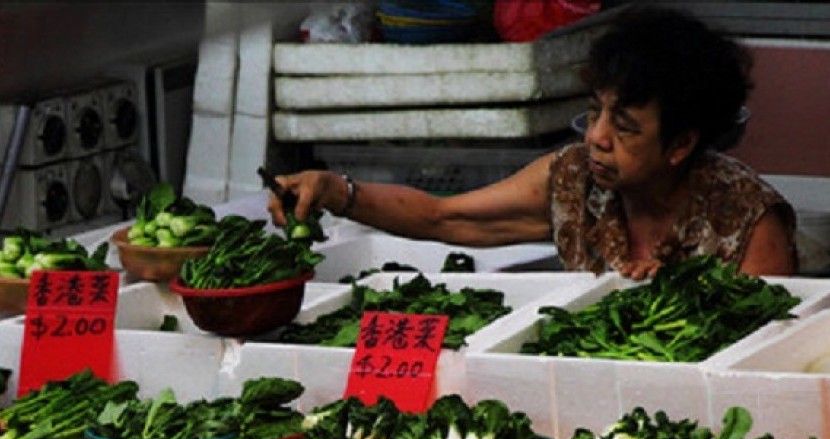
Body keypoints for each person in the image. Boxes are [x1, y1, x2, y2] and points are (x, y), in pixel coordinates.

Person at [267, 5, 798, 280]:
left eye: (625, 127)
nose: (596, 138)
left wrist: (686, 302)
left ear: (680, 145)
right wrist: (337, 191)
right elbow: (443, 217)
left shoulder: (749, 221)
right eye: (595, 113)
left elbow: (769, 353)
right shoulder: (573, 180)